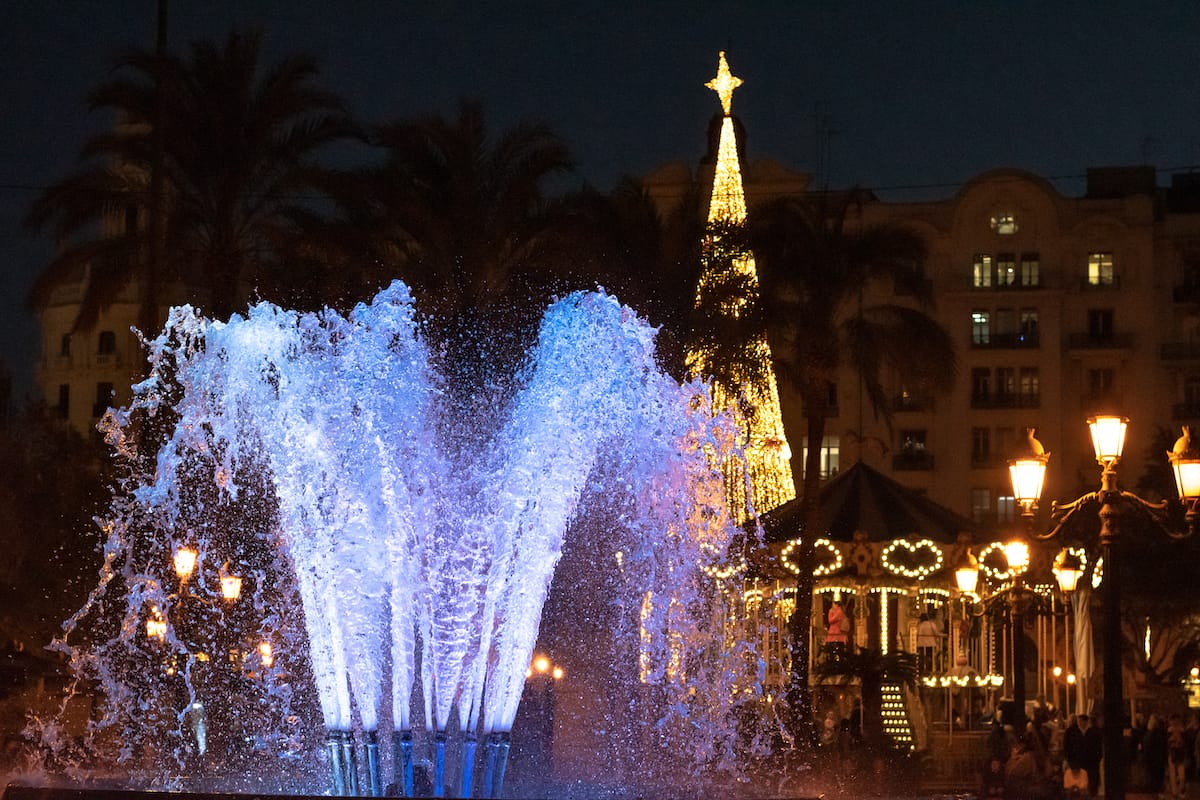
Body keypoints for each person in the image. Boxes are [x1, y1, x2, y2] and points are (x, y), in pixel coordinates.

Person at [1168, 713, 1188, 798]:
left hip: (1178, 753)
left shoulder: (1182, 731)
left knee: (1179, 773)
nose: (1174, 722)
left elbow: (1186, 743)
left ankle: (1178, 790)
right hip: (1174, 753)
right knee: (1175, 773)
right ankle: (1176, 791)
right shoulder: (1170, 731)